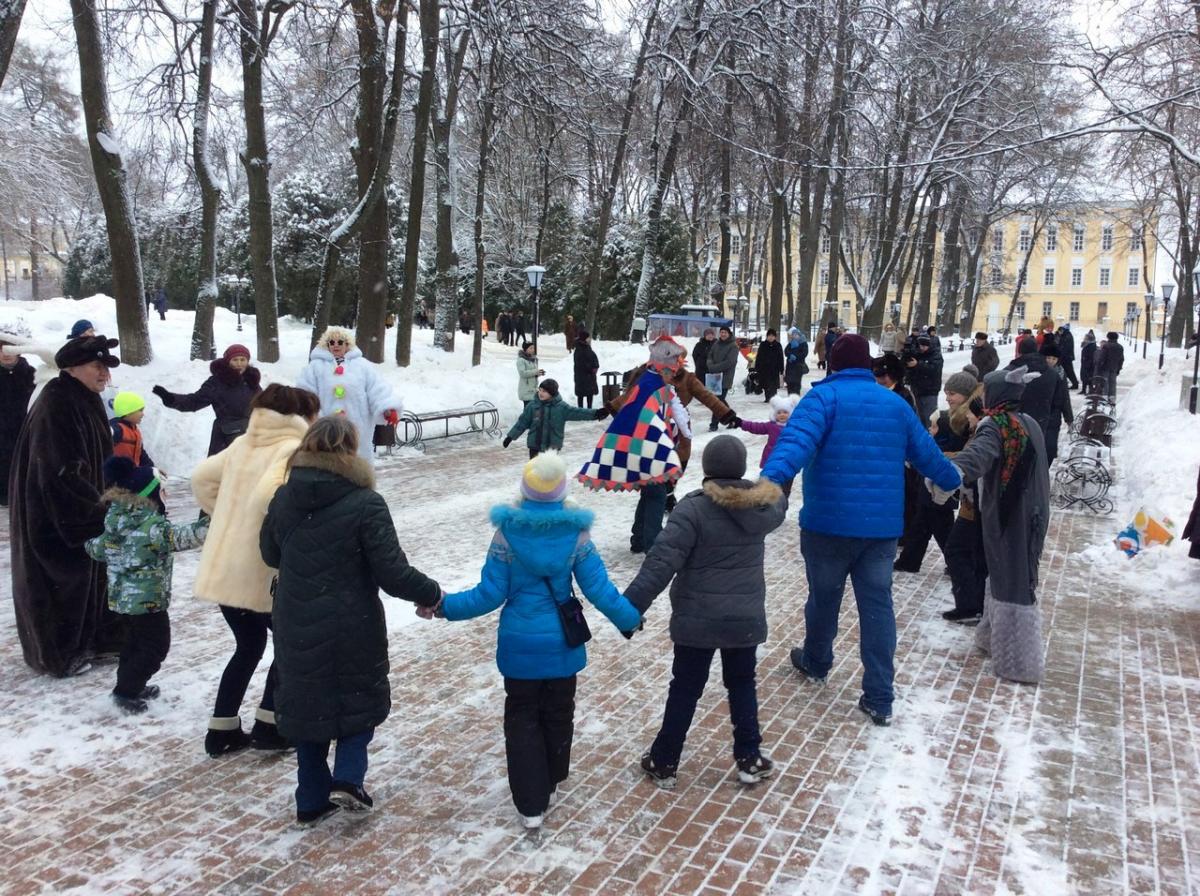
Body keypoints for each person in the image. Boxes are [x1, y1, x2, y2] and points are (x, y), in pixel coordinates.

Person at [761, 334, 961, 726]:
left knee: (823, 598)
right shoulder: (895, 405)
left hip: (827, 526)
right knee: (878, 608)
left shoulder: (822, 400)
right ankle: (879, 695)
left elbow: (794, 445)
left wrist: (766, 485)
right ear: (868, 366)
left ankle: (817, 661)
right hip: (881, 531)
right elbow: (928, 455)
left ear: (833, 365)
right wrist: (951, 477)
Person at [437, 451, 641, 829]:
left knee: (522, 717)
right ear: (562, 492)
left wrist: (444, 606)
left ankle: (530, 804)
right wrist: (628, 618)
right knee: (559, 711)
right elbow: (598, 588)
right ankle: (551, 779)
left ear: (525, 490)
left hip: (519, 645)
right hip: (562, 643)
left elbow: (488, 594)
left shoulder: (506, 533)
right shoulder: (576, 534)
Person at [261, 416, 442, 826]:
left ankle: (309, 797)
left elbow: (271, 555)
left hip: (295, 615)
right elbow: (392, 572)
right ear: (350, 451)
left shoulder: (284, 496)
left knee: (307, 701)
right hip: (352, 619)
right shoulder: (365, 503)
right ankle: (347, 777)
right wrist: (432, 594)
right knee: (358, 696)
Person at [627, 436, 786, 789]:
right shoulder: (761, 508)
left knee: (685, 688)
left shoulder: (692, 508)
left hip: (696, 619)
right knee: (743, 685)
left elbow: (661, 561)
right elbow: (780, 500)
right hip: (743, 619)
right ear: (742, 468)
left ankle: (664, 759)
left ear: (707, 469)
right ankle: (749, 757)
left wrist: (631, 606)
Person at [191, 384, 321, 756]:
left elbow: (201, 477)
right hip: (261, 573)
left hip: (225, 570)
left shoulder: (241, 444)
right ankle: (270, 725)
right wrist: (285, 528)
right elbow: (270, 495)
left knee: (247, 648)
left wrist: (226, 517)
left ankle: (222, 729)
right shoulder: (289, 450)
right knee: (291, 645)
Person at [928, 366, 1050, 684]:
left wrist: (945, 473)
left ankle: (1019, 662)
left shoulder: (995, 426)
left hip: (1011, 515)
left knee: (1013, 578)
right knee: (1006, 573)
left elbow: (977, 457)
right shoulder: (1027, 422)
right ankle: (991, 634)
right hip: (1032, 510)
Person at [10, 335, 122, 677]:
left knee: (93, 579)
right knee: (60, 583)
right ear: (73, 369)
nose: (105, 375)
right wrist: (90, 512)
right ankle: (59, 653)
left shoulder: (83, 397)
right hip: (56, 514)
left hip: (86, 506)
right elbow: (59, 469)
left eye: (107, 368)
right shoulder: (57, 403)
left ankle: (94, 641)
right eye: (97, 367)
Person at [590, 337, 737, 552]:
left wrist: (727, 414)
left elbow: (707, 397)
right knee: (655, 491)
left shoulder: (686, 379)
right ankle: (651, 542)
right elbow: (631, 396)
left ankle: (640, 538)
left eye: (680, 361)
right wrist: (609, 408)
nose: (678, 365)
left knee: (654, 490)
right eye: (676, 360)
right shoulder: (649, 376)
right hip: (650, 439)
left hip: (675, 442)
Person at [85, 456, 207, 714]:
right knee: (155, 647)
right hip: (147, 601)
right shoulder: (152, 527)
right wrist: (211, 520)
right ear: (151, 496)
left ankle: (130, 685)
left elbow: (98, 548)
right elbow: (187, 536)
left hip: (123, 600)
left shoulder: (117, 520)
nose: (166, 496)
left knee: (133, 644)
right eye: (163, 491)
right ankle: (126, 691)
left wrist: (88, 545)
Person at [894, 370, 977, 573]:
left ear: (966, 395)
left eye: (953, 394)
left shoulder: (964, 419)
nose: (948, 398)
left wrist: (938, 451)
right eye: (946, 393)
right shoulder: (950, 416)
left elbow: (965, 450)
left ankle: (957, 562)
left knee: (938, 521)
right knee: (926, 519)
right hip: (936, 475)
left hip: (943, 477)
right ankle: (911, 560)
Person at [296, 327, 401, 462]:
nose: (335, 345)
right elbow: (305, 393)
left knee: (358, 467)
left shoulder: (363, 366)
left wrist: (387, 407)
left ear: (347, 344)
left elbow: (377, 388)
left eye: (340, 342)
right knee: (326, 465)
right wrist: (311, 416)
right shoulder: (314, 367)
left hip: (358, 428)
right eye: (331, 343)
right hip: (324, 429)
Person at [153, 344, 263, 456]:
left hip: (252, 436)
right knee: (222, 471)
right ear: (228, 361)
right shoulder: (217, 382)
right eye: (235, 360)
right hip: (226, 438)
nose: (239, 363)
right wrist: (170, 398)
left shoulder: (252, 381)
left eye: (243, 359)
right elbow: (195, 401)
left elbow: (265, 406)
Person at [941, 395, 988, 625]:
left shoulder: (985, 435)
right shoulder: (978, 433)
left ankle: (970, 606)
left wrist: (947, 460)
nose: (967, 416)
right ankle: (973, 605)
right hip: (971, 505)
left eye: (971, 413)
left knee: (957, 550)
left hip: (975, 507)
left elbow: (972, 462)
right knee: (967, 552)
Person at [503, 379, 607, 458]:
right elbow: (522, 422)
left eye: (545, 391)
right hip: (534, 445)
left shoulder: (561, 408)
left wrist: (597, 413)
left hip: (552, 446)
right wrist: (510, 437)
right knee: (534, 473)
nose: (541, 393)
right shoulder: (532, 406)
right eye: (540, 390)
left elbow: (579, 413)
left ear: (552, 394)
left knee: (549, 473)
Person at [740, 394, 799, 495]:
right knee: (768, 488)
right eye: (779, 412)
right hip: (770, 462)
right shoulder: (771, 426)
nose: (782, 415)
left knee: (784, 490)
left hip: (787, 463)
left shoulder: (795, 428)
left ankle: (783, 503)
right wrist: (741, 423)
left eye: (785, 412)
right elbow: (756, 427)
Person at [0, 343, 35, 505]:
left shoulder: (31, 374)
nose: (6, 354)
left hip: (25, 430)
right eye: (1, 350)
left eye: (9, 349)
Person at [1006, 336, 1054, 432]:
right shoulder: (1049, 371)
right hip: (1041, 417)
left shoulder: (1011, 370)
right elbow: (1058, 396)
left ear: (1020, 351)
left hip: (1017, 418)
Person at [1038, 343, 1073, 465]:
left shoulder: (1060, 373)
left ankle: (1044, 471)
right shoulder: (1037, 372)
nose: (1050, 361)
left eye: (1054, 359)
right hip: (1038, 413)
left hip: (1054, 414)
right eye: (1048, 358)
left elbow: (1064, 396)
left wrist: (1069, 418)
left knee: (1050, 447)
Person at [109, 391, 156, 471]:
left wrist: (153, 469)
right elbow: (105, 437)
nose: (143, 414)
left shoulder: (135, 430)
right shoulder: (117, 429)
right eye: (140, 410)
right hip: (117, 477)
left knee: (156, 481)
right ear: (128, 412)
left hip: (131, 474)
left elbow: (141, 454)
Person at [705, 326, 739, 431]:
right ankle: (733, 419)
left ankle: (713, 424)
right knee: (718, 400)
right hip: (714, 377)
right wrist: (710, 364)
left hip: (725, 377)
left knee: (717, 401)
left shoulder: (733, 346)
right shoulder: (716, 343)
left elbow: (730, 362)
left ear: (729, 334)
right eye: (721, 332)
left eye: (725, 332)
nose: (723, 334)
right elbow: (709, 356)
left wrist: (714, 368)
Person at [905, 335, 943, 425]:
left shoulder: (936, 355)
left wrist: (917, 364)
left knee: (930, 418)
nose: (922, 348)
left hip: (930, 391)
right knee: (919, 417)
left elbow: (934, 369)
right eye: (920, 345)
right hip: (917, 390)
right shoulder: (916, 354)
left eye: (924, 346)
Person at [754, 329, 785, 402]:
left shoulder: (778, 345)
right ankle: (767, 398)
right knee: (765, 384)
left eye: (772, 336)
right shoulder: (763, 344)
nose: (771, 337)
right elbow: (759, 356)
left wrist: (781, 368)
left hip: (774, 369)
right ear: (767, 336)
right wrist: (757, 367)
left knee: (773, 385)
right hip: (764, 368)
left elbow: (781, 357)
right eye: (769, 336)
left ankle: (773, 398)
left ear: (775, 337)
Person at [572, 330, 600, 408]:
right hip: (582, 376)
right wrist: (590, 368)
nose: (589, 339)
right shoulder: (579, 349)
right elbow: (580, 363)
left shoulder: (587, 346)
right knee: (581, 394)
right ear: (584, 338)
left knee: (589, 394)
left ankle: (589, 409)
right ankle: (581, 410)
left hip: (589, 376)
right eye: (588, 337)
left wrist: (595, 366)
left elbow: (592, 357)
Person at [1095, 331, 1124, 399]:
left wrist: (1099, 366)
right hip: (1114, 368)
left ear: (1108, 337)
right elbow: (1121, 359)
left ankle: (1104, 398)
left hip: (1105, 367)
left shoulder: (1106, 346)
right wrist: (1119, 368)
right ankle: (1112, 398)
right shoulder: (1120, 347)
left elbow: (1102, 357)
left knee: (1105, 383)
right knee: (1113, 383)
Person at [516, 341, 544, 407]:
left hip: (533, 389)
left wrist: (538, 373)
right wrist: (535, 372)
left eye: (533, 348)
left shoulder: (532, 360)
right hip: (526, 390)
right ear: (525, 349)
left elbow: (532, 373)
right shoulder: (521, 360)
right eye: (531, 348)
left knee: (532, 410)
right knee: (528, 410)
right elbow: (522, 373)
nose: (533, 350)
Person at [783, 327, 809, 396]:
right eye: (793, 335)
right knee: (789, 382)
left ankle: (796, 397)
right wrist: (790, 355)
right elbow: (786, 351)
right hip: (790, 366)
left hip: (798, 366)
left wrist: (796, 357)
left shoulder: (803, 343)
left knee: (796, 383)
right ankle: (790, 396)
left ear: (799, 334)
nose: (795, 336)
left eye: (796, 334)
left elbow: (804, 353)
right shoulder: (791, 343)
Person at [1056, 324, 1079, 389]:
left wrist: (1061, 355)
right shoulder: (1066, 335)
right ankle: (1071, 383)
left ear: (1063, 330)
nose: (1060, 332)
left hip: (1066, 357)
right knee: (1067, 371)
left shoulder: (1067, 336)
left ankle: (1075, 384)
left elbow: (1065, 348)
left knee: (1069, 371)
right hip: (1066, 357)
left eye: (1060, 331)